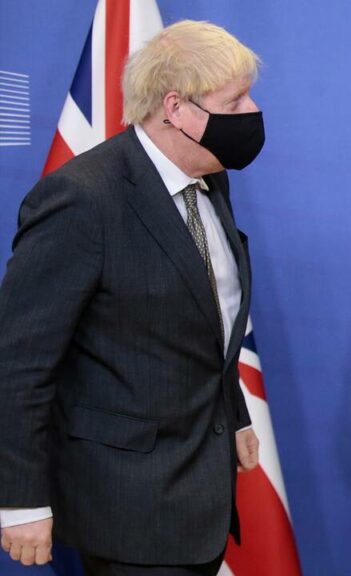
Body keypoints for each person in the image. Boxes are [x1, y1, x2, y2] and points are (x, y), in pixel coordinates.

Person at [0, 20, 265, 575]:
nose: (252, 111)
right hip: (127, 513)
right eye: (235, 100)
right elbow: (18, 362)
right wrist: (19, 500)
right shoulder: (81, 200)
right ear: (176, 109)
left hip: (203, 495)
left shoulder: (210, 176)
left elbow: (202, 318)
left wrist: (235, 414)